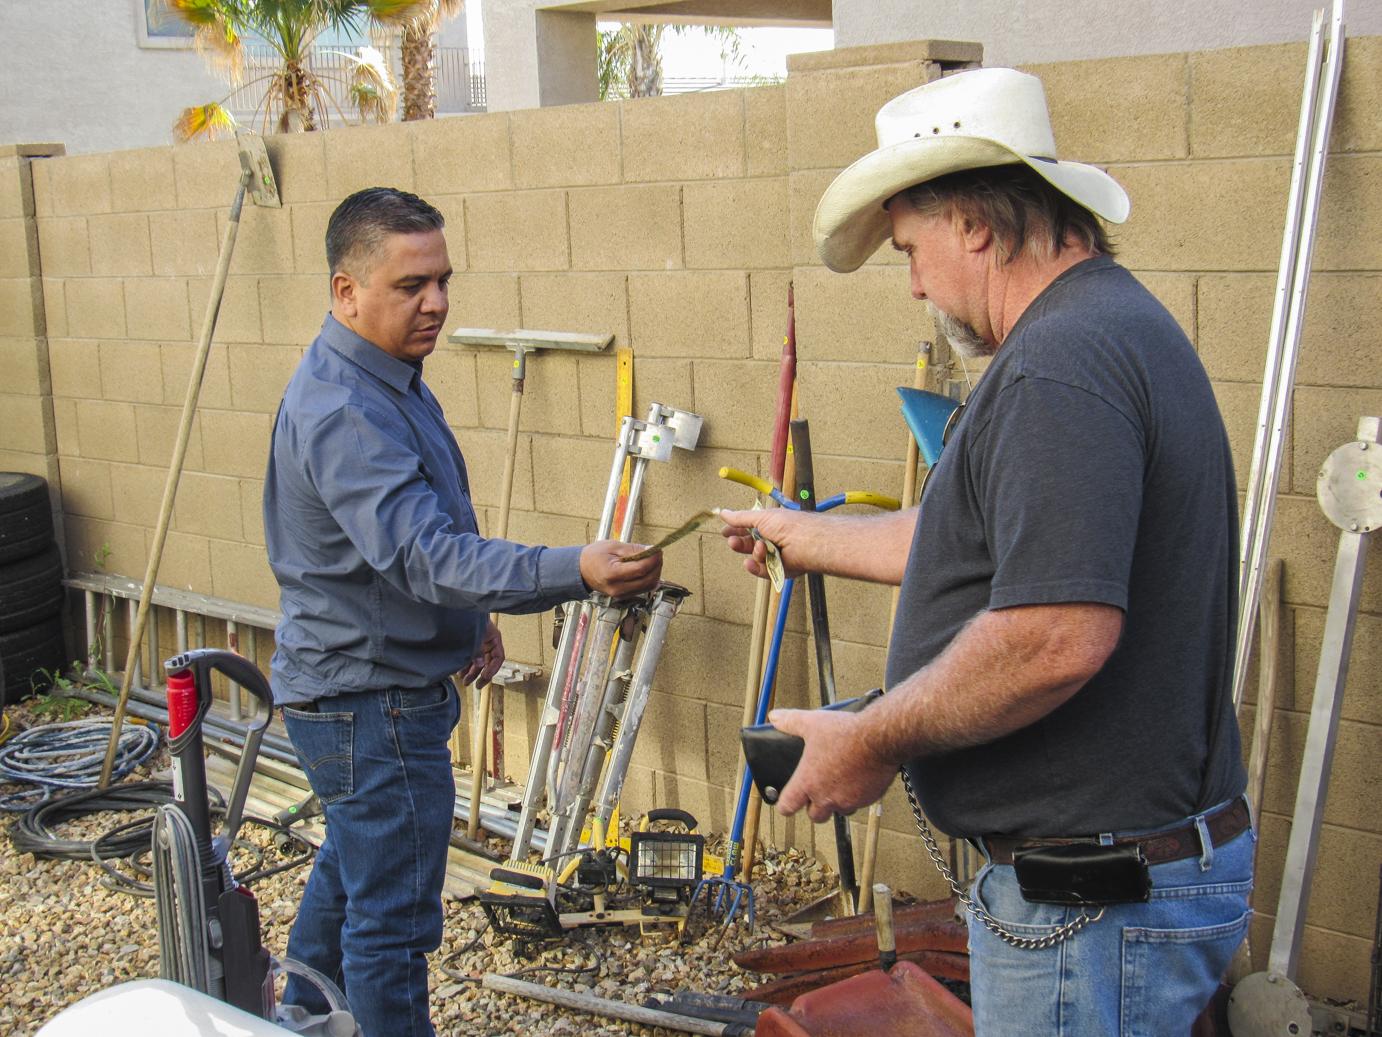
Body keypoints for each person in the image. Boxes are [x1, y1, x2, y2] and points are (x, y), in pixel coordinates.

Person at [721, 68, 1251, 1034]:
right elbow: (996, 542)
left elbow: (1056, 631)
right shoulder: (1100, 327)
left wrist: (872, 739)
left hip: (1092, 902)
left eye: (912, 248)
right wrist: (808, 537)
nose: (916, 280)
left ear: (973, 222)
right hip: (1111, 885)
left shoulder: (1061, 362)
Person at [262, 186, 662, 1037]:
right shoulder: (347, 408)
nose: (437, 302)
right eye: (412, 285)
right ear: (347, 291)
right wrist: (577, 568)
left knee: (356, 865)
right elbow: (423, 554)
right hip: (371, 703)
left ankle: (296, 1013)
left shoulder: (386, 377)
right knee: (393, 923)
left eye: (443, 280)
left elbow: (419, 529)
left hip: (358, 690)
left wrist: (468, 617)